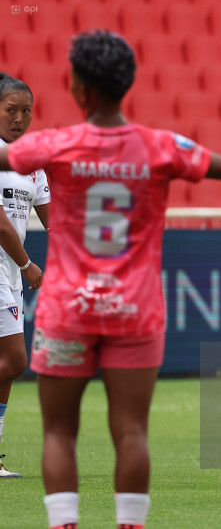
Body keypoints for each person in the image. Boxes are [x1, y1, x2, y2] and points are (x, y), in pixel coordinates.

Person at [0, 30, 221, 529]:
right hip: (135, 310)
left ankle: (63, 524)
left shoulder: (52, 145)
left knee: (58, 432)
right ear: (127, 85)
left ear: (76, 87)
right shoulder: (159, 145)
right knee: (131, 431)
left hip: (67, 310)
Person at [0, 73, 49, 479]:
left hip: (9, 275)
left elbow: (57, 222)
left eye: (26, 111)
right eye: (10, 110)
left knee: (8, 363)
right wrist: (26, 264)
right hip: (6, 268)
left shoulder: (32, 163)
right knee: (14, 359)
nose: (19, 118)